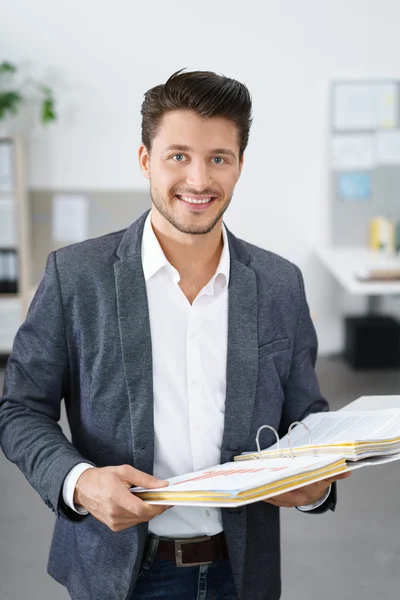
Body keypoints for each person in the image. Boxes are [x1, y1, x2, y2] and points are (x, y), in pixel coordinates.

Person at [0, 69, 349, 600]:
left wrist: (313, 484)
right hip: (120, 575)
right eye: (178, 155)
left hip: (242, 572)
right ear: (146, 159)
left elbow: (304, 415)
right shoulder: (77, 277)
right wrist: (80, 481)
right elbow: (20, 409)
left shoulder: (279, 283)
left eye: (218, 158)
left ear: (238, 166)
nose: (199, 180)